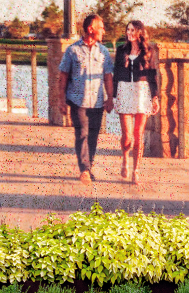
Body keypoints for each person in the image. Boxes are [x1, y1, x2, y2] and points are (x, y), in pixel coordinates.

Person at [58, 13, 114, 183]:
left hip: (97, 102)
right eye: (101, 28)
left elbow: (108, 77)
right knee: (82, 133)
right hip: (78, 101)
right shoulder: (72, 50)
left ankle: (88, 168)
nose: (103, 31)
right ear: (90, 29)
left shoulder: (103, 52)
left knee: (93, 136)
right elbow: (63, 76)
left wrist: (110, 98)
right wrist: (61, 100)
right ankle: (84, 169)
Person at [113, 19, 159, 184]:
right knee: (127, 136)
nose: (129, 33)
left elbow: (152, 75)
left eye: (133, 30)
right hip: (124, 90)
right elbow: (116, 74)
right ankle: (125, 159)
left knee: (138, 135)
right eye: (128, 30)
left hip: (142, 92)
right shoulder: (121, 50)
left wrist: (155, 97)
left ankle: (136, 170)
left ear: (140, 32)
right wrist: (113, 96)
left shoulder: (149, 51)